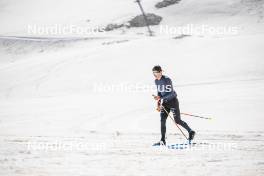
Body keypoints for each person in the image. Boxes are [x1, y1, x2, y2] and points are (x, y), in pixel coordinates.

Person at [152, 65, 195, 146]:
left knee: (177, 121)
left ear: (161, 72)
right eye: (154, 73)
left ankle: (191, 132)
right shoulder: (156, 81)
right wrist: (158, 103)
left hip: (173, 101)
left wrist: (160, 97)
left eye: (157, 72)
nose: (156, 74)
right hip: (165, 103)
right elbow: (159, 93)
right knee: (162, 120)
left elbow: (171, 93)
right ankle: (162, 140)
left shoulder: (167, 80)